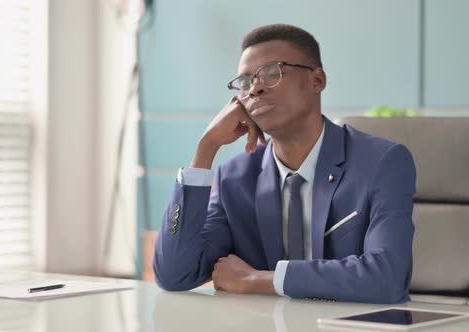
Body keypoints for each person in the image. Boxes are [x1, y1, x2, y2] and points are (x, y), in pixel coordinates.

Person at [153, 24, 416, 303]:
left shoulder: (381, 162)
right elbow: (174, 274)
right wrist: (206, 148)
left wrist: (259, 280)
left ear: (317, 81)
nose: (255, 89)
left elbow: (387, 278)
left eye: (272, 73)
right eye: (246, 81)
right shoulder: (235, 179)